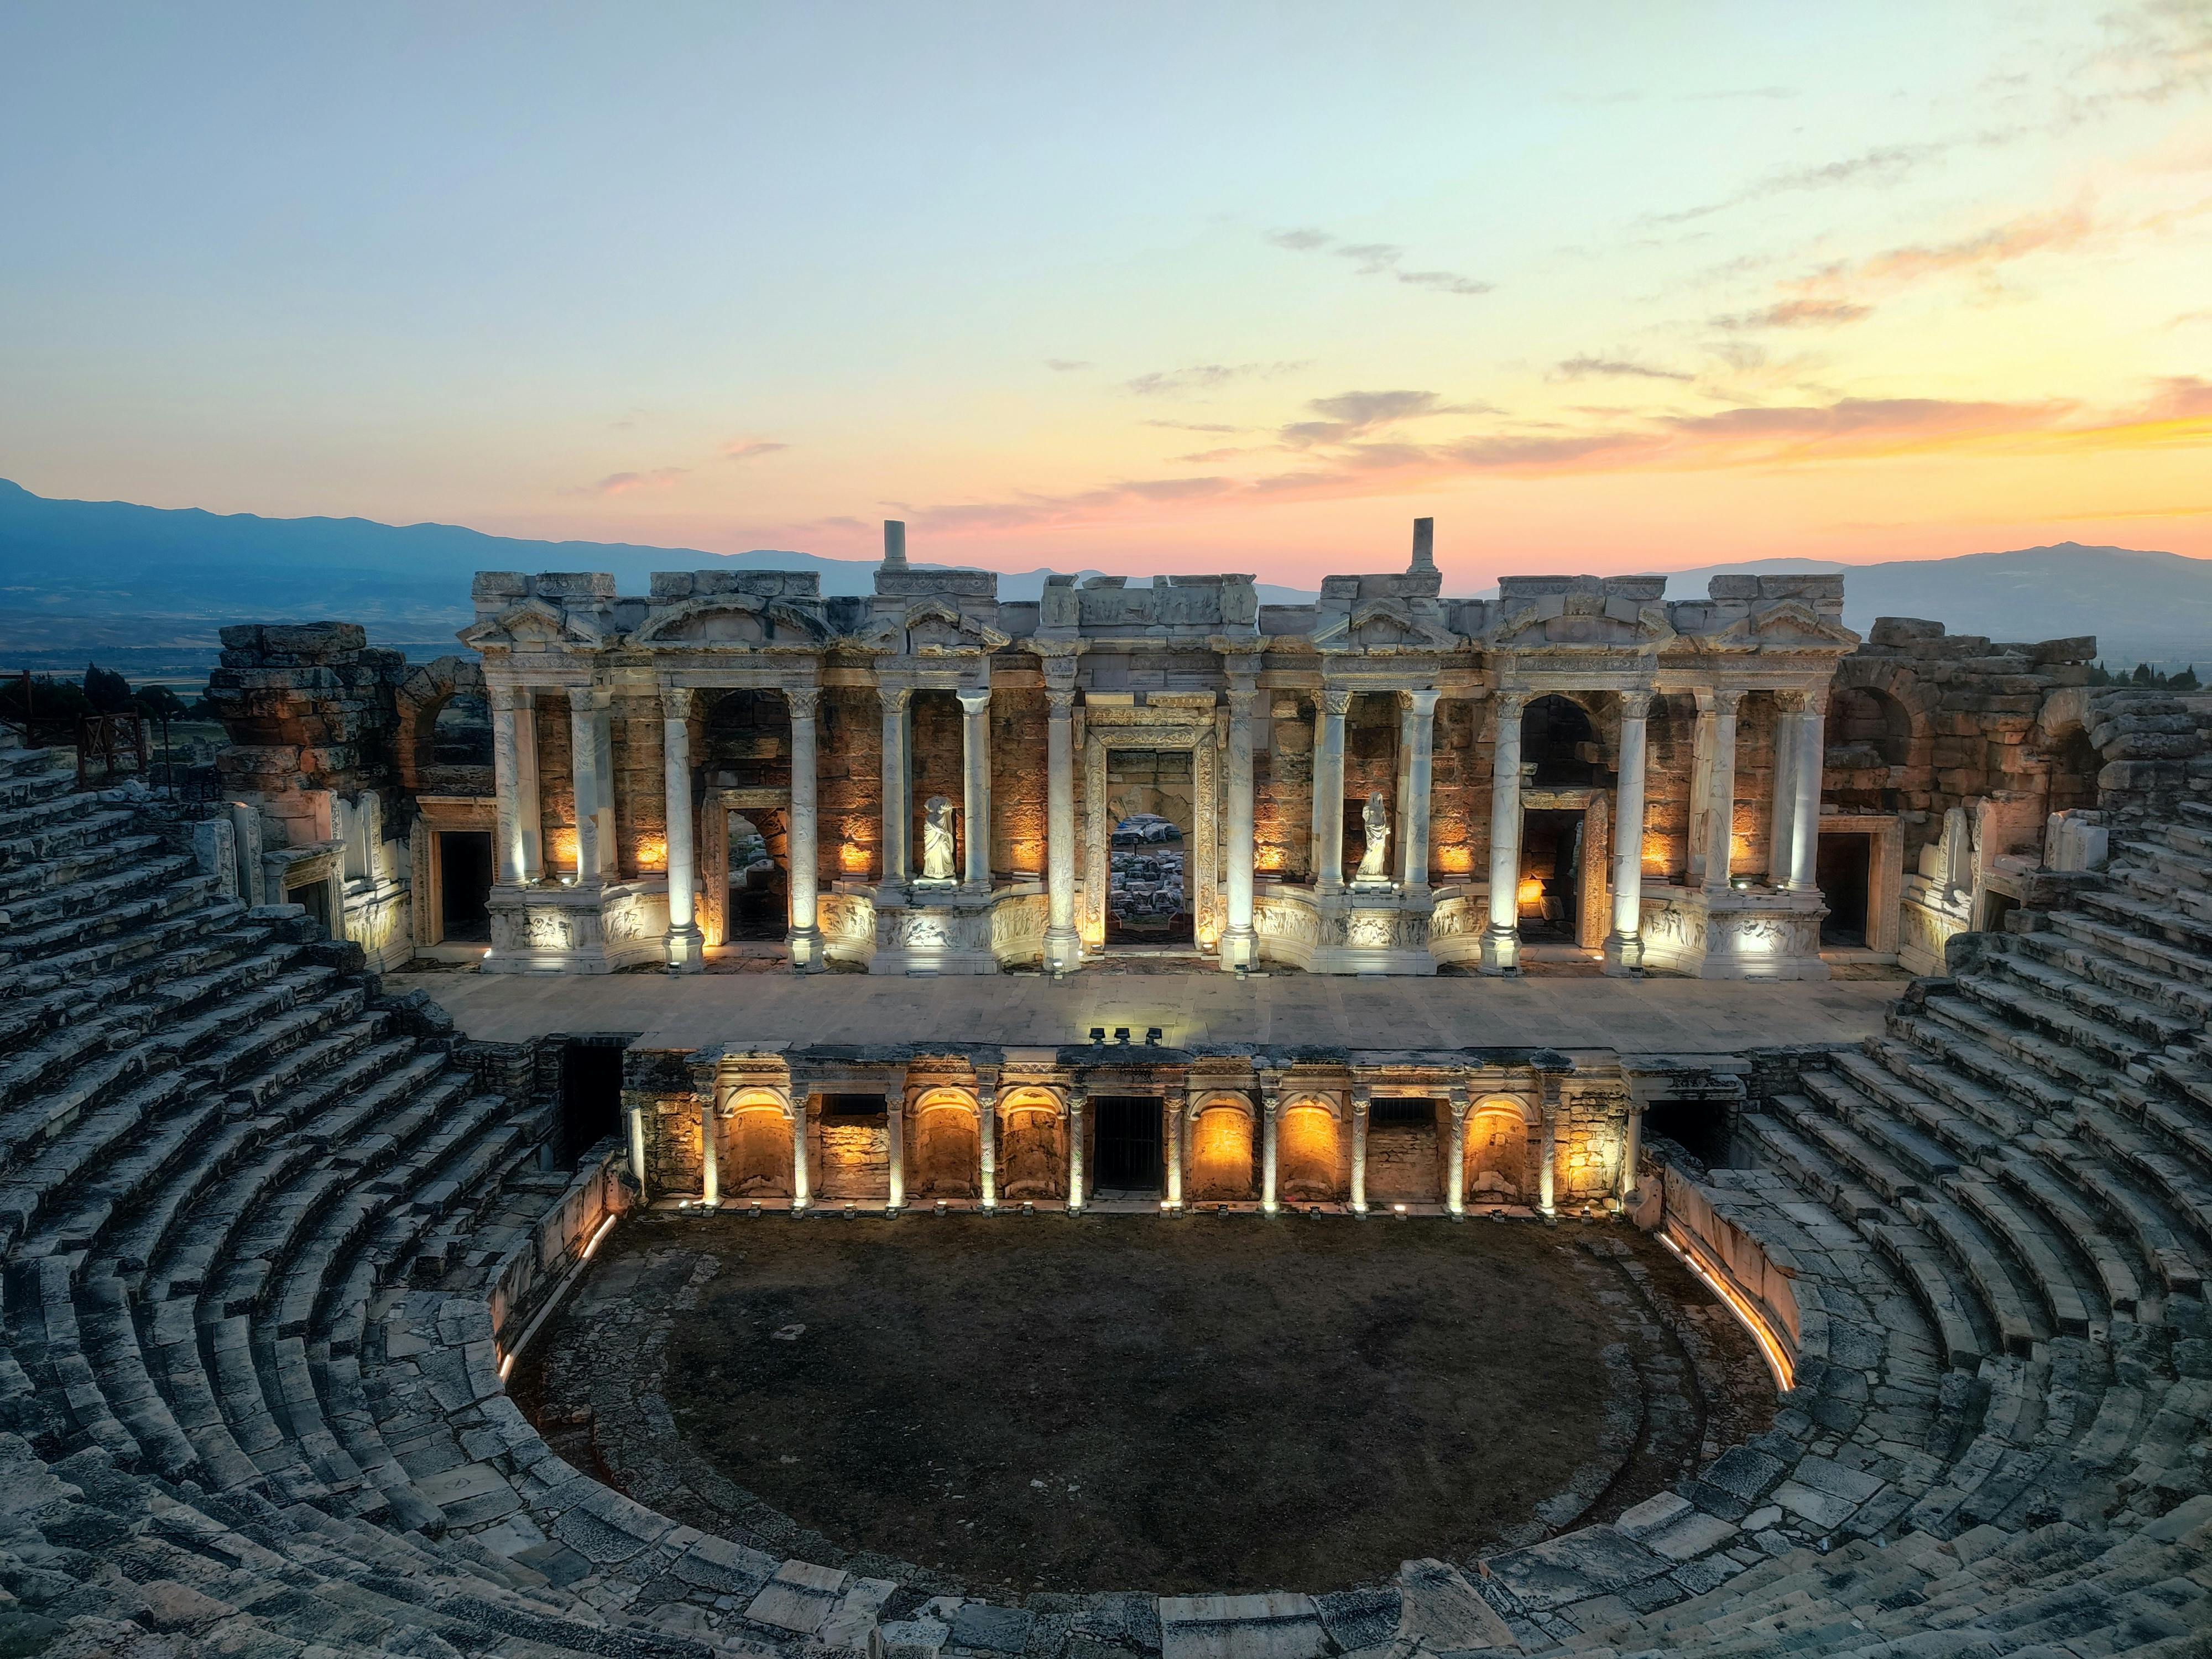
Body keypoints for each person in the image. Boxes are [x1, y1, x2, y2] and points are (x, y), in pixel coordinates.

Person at [1354, 790, 1391, 882]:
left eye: (1380, 797)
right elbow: (1366, 819)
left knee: (1379, 852)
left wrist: (1386, 827)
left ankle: (1377, 872)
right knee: (1370, 850)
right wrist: (1372, 825)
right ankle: (1364, 870)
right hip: (1372, 831)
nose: (1378, 799)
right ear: (1373, 798)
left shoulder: (1381, 808)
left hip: (1381, 831)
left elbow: (1384, 818)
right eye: (1376, 797)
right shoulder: (1368, 807)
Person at [920, 795, 958, 882]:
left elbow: (948, 805)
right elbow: (928, 828)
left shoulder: (943, 816)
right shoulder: (929, 818)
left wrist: (943, 833)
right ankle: (931, 870)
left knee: (946, 852)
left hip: (943, 838)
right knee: (933, 853)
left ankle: (946, 870)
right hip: (932, 839)